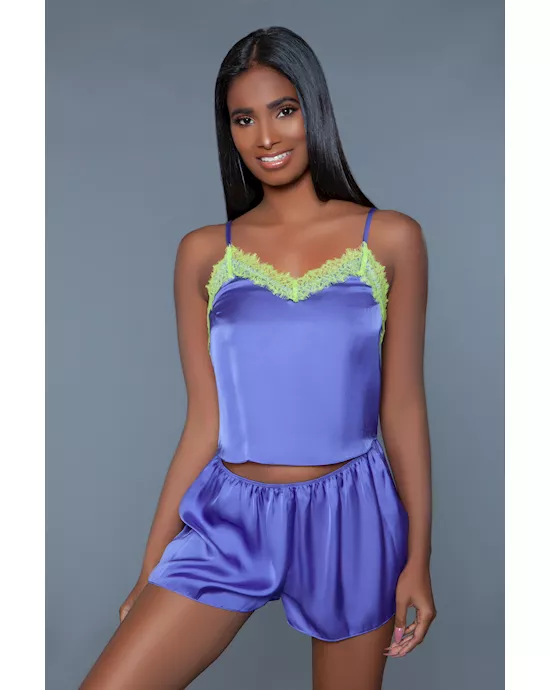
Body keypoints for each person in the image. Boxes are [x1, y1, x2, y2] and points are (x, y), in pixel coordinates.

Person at [80, 25, 436, 690]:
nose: (266, 137)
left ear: (314, 109)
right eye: (243, 119)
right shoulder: (204, 253)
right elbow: (204, 420)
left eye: (284, 110)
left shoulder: (390, 239)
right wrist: (152, 565)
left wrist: (418, 558)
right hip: (231, 518)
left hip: (352, 517)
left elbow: (403, 408)